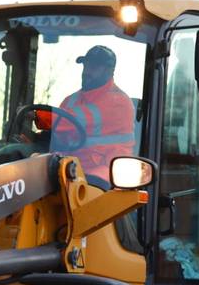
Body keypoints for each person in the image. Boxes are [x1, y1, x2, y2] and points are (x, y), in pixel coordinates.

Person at [50, 45, 136, 182]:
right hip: (71, 168)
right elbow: (58, 133)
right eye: (86, 66)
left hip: (105, 170)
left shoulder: (117, 101)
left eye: (94, 68)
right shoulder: (71, 100)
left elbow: (69, 120)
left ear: (110, 71)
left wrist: (37, 116)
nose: (87, 72)